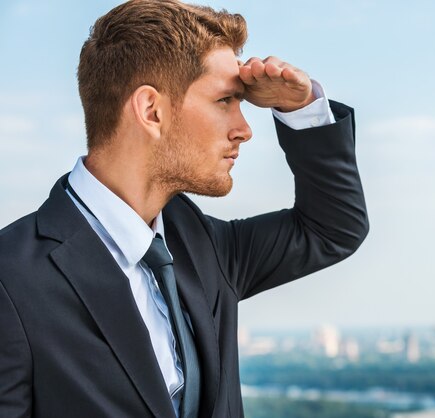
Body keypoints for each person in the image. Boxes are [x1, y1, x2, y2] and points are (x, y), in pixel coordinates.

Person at [0, 1, 368, 417]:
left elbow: (332, 229)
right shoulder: (10, 279)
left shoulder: (205, 246)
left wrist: (300, 109)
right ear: (151, 111)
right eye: (226, 100)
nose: (245, 129)